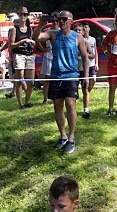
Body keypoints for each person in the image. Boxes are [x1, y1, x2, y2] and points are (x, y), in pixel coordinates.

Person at [33, 10, 90, 155]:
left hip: (71, 75)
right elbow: (36, 38)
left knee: (71, 104)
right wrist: (40, 25)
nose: (61, 21)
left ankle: (71, 138)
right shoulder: (53, 34)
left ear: (71, 21)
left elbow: (85, 57)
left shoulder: (78, 37)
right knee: (57, 105)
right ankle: (63, 135)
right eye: (60, 19)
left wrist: (86, 76)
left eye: (65, 19)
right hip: (56, 75)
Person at [10, 7, 36, 109]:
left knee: (31, 81)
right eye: (21, 14)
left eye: (25, 14)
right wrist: (22, 41)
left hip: (29, 55)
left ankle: (27, 101)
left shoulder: (30, 29)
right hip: (19, 55)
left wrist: (32, 42)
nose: (23, 16)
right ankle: (20, 104)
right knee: (20, 80)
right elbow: (11, 45)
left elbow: (34, 42)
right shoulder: (14, 29)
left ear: (27, 15)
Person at [37, 12, 60, 105]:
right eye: (53, 21)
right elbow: (36, 39)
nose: (55, 23)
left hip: (58, 56)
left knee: (58, 77)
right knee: (47, 79)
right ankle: (45, 99)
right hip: (48, 55)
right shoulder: (47, 31)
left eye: (56, 21)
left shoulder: (61, 31)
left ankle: (57, 96)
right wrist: (43, 49)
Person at [80, 22, 98, 119]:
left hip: (87, 66)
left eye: (81, 29)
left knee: (86, 89)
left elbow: (93, 54)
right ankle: (71, 110)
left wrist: (84, 55)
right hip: (75, 68)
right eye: (77, 30)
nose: (79, 32)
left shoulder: (90, 40)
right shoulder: (73, 41)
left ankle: (86, 110)